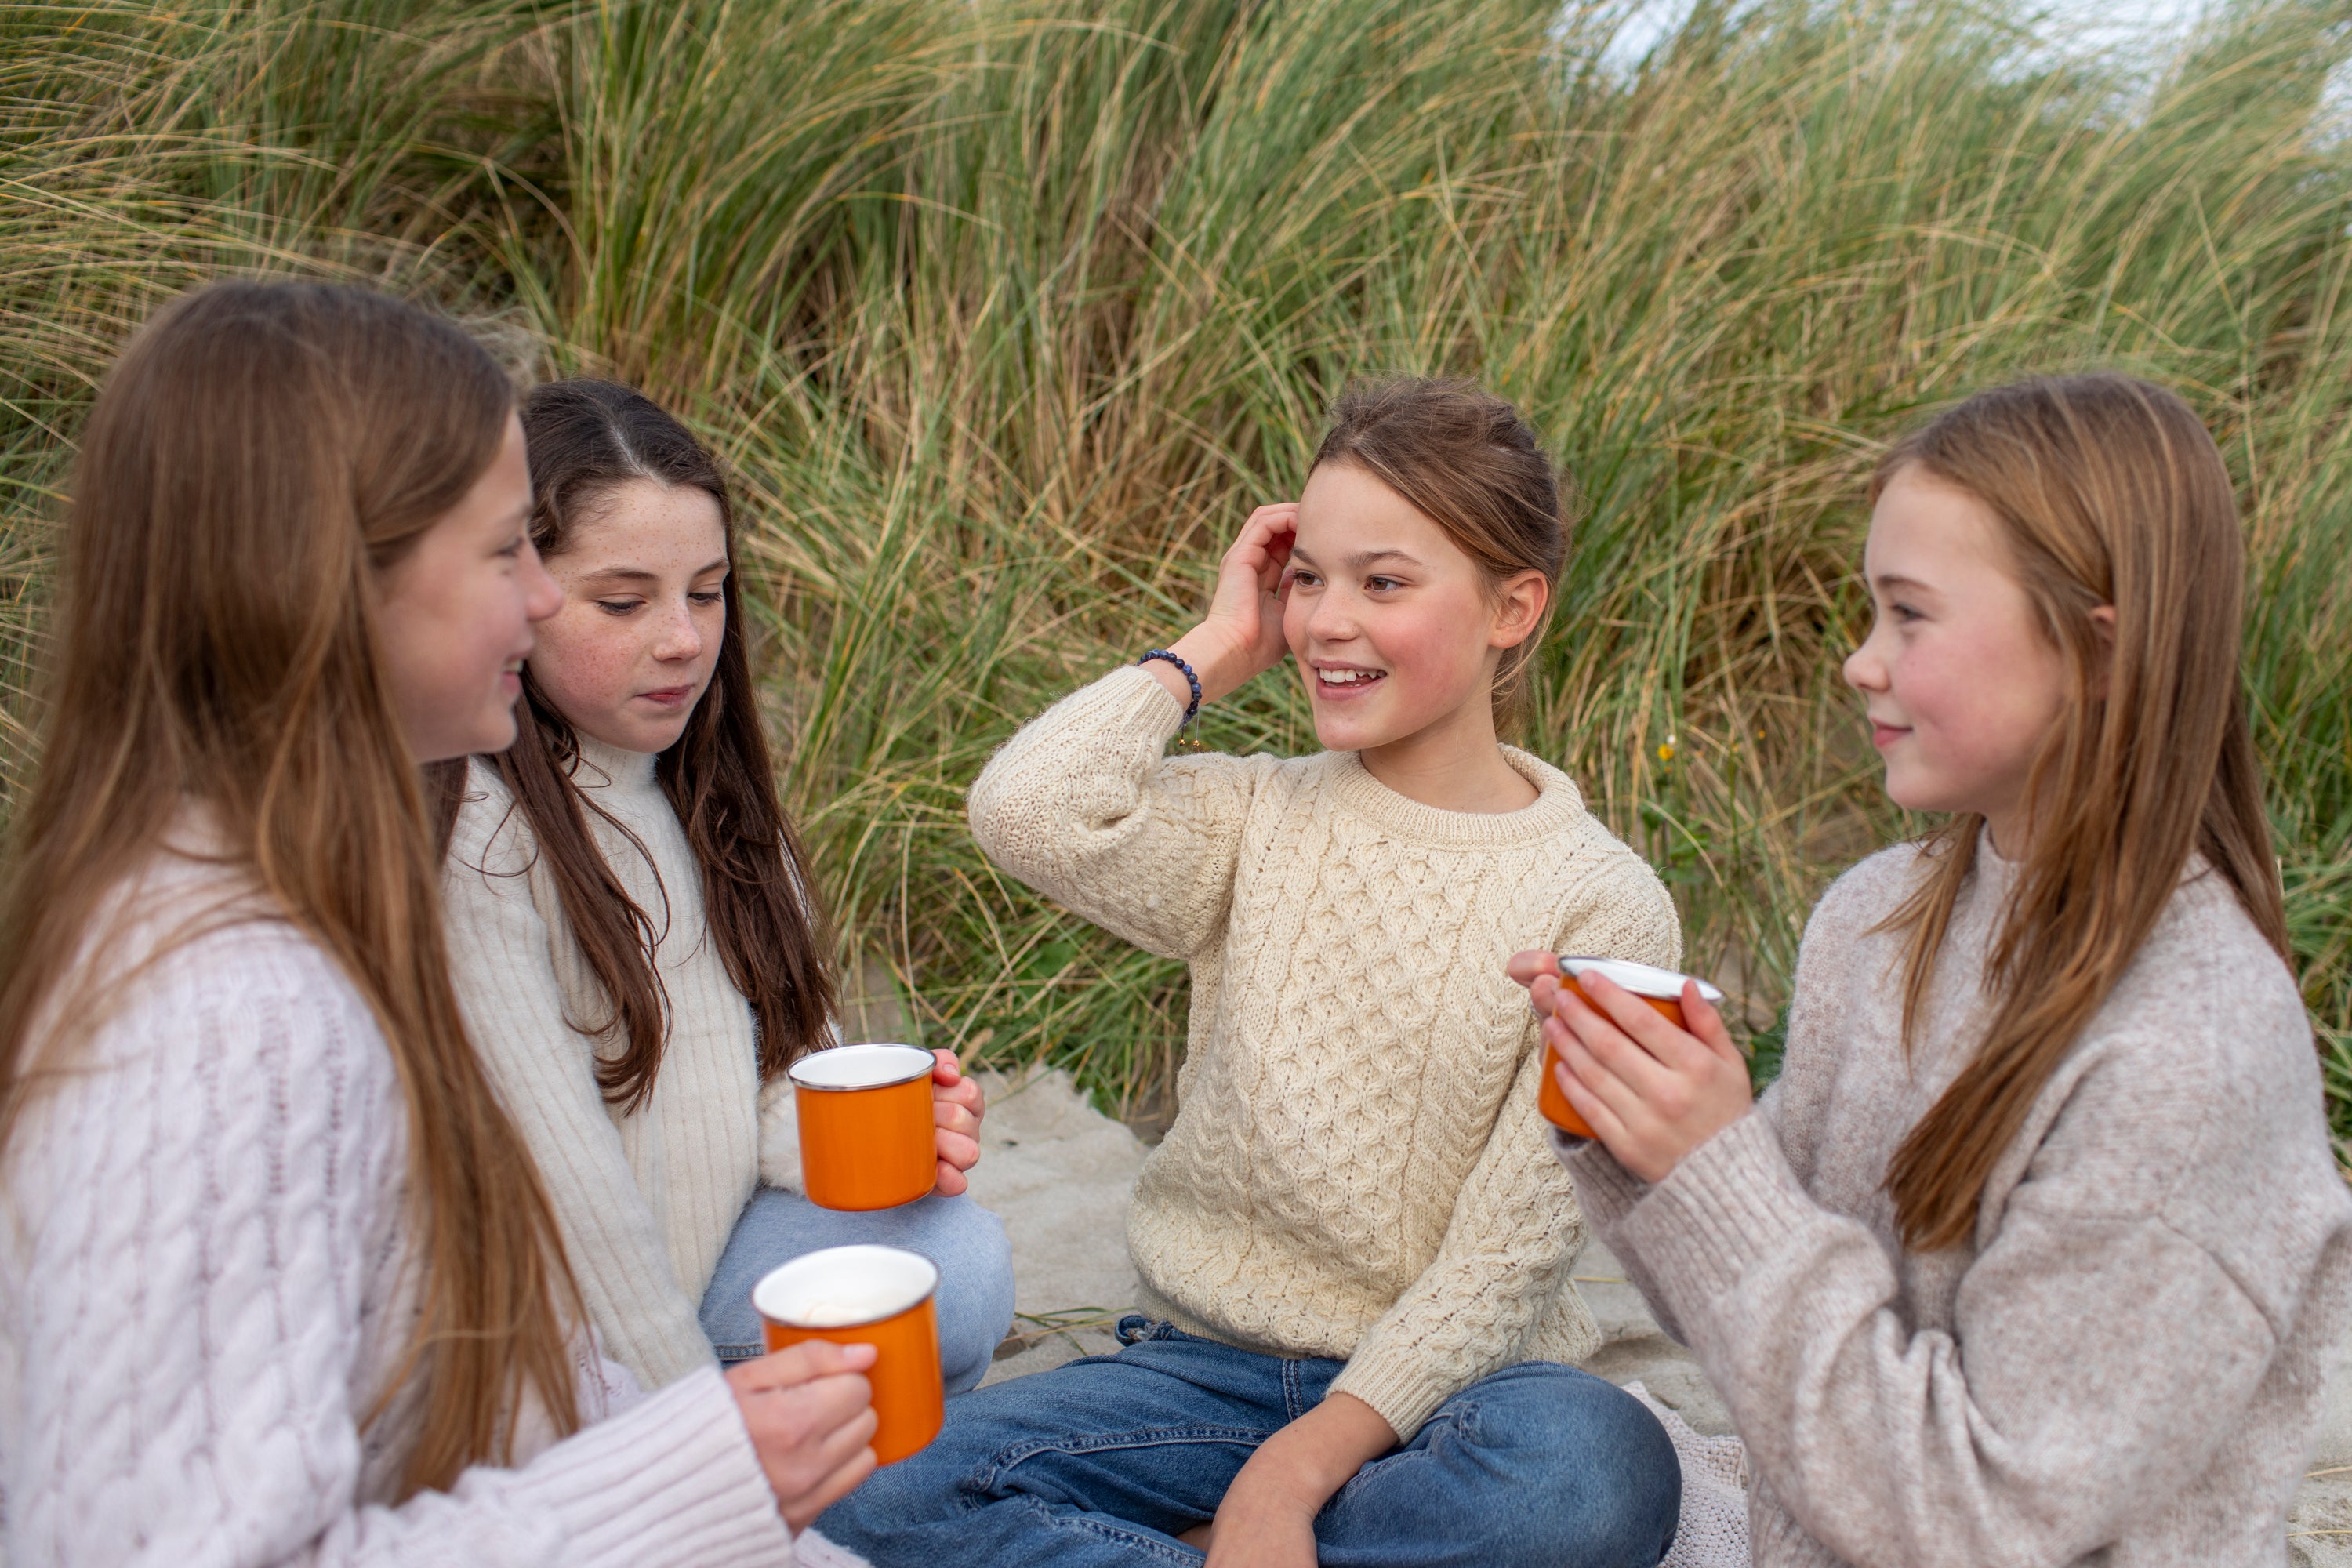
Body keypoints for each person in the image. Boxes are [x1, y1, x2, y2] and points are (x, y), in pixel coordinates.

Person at [0, 281, 880, 1565]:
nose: (540, 599)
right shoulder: (222, 1018)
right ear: (318, 585)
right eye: (505, 551)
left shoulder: (310, 905)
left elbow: (493, 1379)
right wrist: (691, 1479)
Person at [822, 377, 1685, 1568]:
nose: (1329, 621)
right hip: (1204, 1373)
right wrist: (1212, 651)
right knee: (871, 1482)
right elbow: (1027, 811)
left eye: (1383, 582)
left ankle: (1225, 1536)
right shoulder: (1253, 816)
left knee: (1592, 1477)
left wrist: (1288, 1481)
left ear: (1512, 606)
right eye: (1309, 579)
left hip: (1459, 1390)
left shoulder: (1603, 902)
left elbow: (1507, 1255)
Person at [1520, 372, 2352, 1566]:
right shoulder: (1875, 923)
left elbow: (1982, 1522)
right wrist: (1640, 1128)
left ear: (2096, 651)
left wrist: (1718, 1172)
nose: (1861, 663)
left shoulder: (2195, 1051)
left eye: (1910, 616)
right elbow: (1770, 1348)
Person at [436, 378, 1015, 1397]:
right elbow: (565, 1199)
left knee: (956, 1264)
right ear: (515, 592)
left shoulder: (709, 797)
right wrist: (686, 1428)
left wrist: (888, 1137)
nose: (683, 639)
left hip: (708, 1266)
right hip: (565, 1331)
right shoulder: (482, 831)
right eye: (624, 601)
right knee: (916, 1318)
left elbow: (771, 1087)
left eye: (707, 592)